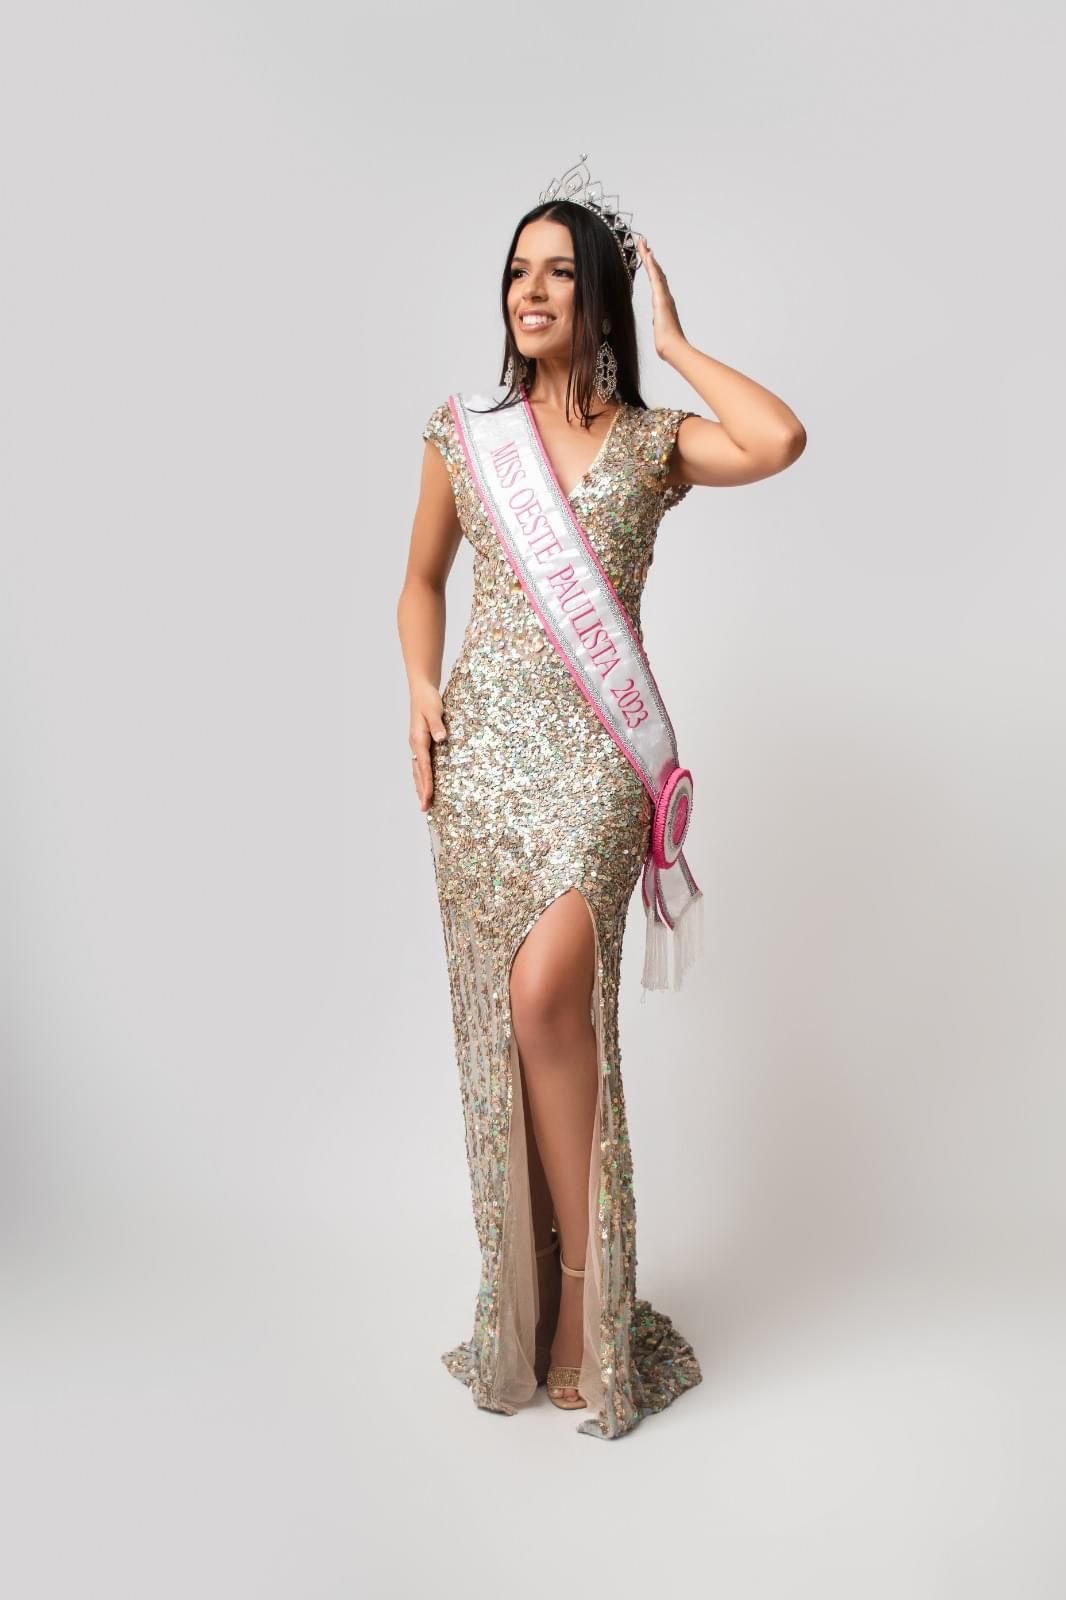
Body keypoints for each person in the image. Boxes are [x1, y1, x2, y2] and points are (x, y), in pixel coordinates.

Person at [396, 158, 806, 1439]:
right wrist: (418, 686)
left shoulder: (648, 445)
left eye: (560, 272)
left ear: (601, 297)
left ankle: (586, 1298)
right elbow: (419, 582)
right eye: (517, 271)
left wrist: (674, 344)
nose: (530, 290)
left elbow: (776, 439)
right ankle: (525, 1298)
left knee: (547, 1000)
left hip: (594, 766)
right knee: (510, 1028)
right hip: (483, 765)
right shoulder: (465, 436)